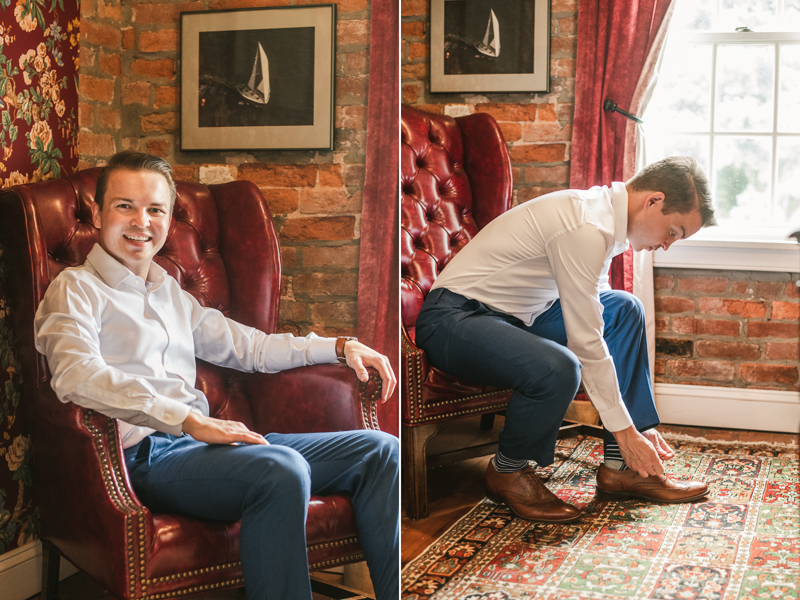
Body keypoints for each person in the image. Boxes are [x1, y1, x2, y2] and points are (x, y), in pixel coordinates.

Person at [33, 151, 399, 600]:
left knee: (382, 451)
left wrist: (339, 347)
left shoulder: (167, 290)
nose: (140, 221)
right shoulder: (76, 290)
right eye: (124, 206)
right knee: (282, 470)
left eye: (155, 210)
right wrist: (187, 420)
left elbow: (251, 347)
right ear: (98, 212)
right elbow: (75, 374)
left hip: (200, 447)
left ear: (168, 219)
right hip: (144, 458)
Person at [415, 156, 716, 523]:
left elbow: (598, 314)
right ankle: (507, 471)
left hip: (518, 317)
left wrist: (635, 428)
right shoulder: (586, 226)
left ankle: (622, 469)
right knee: (559, 367)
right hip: (455, 319)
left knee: (624, 309)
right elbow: (586, 339)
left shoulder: (605, 223)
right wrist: (624, 429)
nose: (668, 244)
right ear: (653, 201)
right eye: (674, 231)